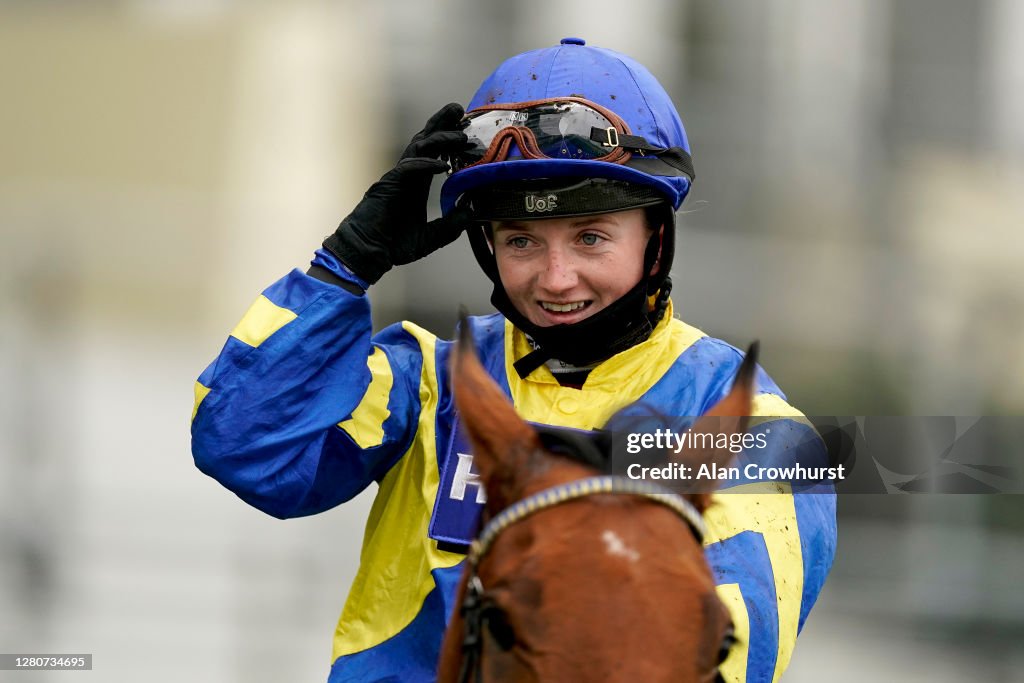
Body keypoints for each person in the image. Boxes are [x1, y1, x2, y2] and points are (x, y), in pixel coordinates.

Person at [191, 37, 836, 682]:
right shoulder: (427, 384)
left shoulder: (753, 426)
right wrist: (346, 264)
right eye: (522, 240)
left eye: (590, 238)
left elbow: (719, 656)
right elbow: (244, 446)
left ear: (656, 235)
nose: (556, 279)